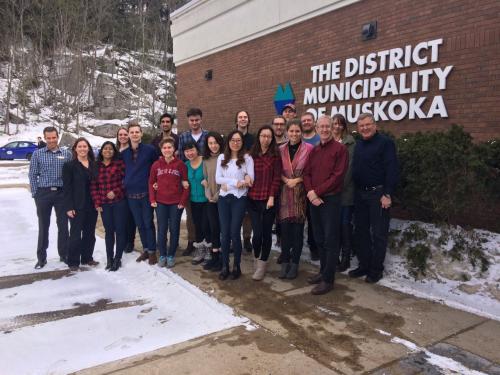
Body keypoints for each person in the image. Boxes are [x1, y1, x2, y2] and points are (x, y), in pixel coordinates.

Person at [349, 113, 399, 284]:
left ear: (375, 125)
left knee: (378, 233)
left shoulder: (385, 143)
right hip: (360, 194)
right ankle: (364, 265)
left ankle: (376, 270)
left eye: (368, 124)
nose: (364, 128)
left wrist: (387, 194)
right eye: (361, 125)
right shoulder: (359, 144)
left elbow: (392, 169)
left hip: (378, 195)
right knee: (361, 231)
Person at [304, 115, 348, 295]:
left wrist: (317, 192)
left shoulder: (340, 149)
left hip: (330, 200)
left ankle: (328, 280)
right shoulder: (314, 151)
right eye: (321, 126)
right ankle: (323, 271)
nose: (324, 129)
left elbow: (337, 177)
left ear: (333, 128)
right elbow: (306, 173)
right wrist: (310, 193)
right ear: (316, 127)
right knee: (320, 238)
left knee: (330, 240)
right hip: (314, 200)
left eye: (327, 126)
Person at [29, 126, 72, 269]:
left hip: (61, 194)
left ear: (57, 136)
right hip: (43, 194)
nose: (52, 140)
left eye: (54, 137)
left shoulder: (67, 154)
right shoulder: (37, 154)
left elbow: (71, 176)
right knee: (43, 226)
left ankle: (64, 254)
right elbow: (33, 175)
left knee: (63, 226)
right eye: (49, 138)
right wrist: (36, 194)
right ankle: (41, 258)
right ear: (45, 138)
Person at [216, 130, 254, 280]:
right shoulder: (221, 157)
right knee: (224, 234)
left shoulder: (247, 158)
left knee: (234, 233)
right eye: (233, 140)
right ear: (228, 141)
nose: (235, 143)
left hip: (239, 199)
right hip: (224, 199)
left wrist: (237, 182)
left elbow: (250, 181)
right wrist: (233, 183)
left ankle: (236, 266)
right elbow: (218, 179)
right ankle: (225, 265)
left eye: (238, 140)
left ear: (242, 142)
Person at [278, 119, 313, 279]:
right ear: (287, 132)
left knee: (297, 232)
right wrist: (286, 180)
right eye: (291, 131)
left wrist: (297, 180)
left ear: (301, 132)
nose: (294, 134)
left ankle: (295, 264)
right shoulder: (280, 149)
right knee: (284, 231)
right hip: (285, 194)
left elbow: (311, 170)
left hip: (300, 194)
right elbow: (276, 169)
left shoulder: (309, 149)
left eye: (297, 131)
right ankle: (285, 262)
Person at [122, 121, 158, 265]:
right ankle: (145, 249)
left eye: (137, 132)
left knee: (148, 222)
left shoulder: (150, 150)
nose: (135, 134)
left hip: (146, 193)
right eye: (132, 132)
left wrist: (155, 182)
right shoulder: (124, 154)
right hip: (131, 195)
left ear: (141, 133)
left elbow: (156, 168)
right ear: (129, 135)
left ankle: (152, 252)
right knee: (139, 224)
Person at [248, 125, 281, 281]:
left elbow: (276, 178)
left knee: (266, 233)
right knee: (257, 234)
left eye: (268, 136)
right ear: (258, 137)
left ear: (272, 138)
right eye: (263, 135)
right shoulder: (251, 155)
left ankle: (262, 264)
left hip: (268, 199)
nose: (265, 139)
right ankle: (256, 257)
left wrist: (272, 196)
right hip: (253, 198)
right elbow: (245, 172)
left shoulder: (275, 155)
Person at [149, 138, 189, 268]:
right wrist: (152, 199)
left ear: (174, 149)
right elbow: (151, 183)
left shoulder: (180, 165)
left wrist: (182, 201)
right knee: (161, 229)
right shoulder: (156, 165)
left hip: (175, 203)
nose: (167, 150)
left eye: (169, 147)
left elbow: (186, 184)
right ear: (161, 150)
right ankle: (162, 254)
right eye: (164, 148)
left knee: (174, 228)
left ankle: (171, 254)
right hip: (160, 202)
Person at [63, 138, 99, 271]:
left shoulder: (95, 164)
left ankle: (87, 257)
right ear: (75, 149)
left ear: (88, 148)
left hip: (92, 205)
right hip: (76, 206)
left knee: (90, 233)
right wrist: (68, 207)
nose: (83, 149)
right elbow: (66, 188)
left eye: (85, 146)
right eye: (80, 146)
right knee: (75, 234)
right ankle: (73, 261)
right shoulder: (69, 166)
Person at [90, 141, 127, 271]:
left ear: (114, 151)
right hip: (104, 204)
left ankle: (118, 258)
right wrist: (97, 202)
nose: (108, 151)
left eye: (110, 149)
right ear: (101, 151)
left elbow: (125, 181)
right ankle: (109, 258)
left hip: (119, 202)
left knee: (120, 230)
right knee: (109, 231)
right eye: (105, 149)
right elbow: (94, 186)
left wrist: (115, 191)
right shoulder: (96, 166)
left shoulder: (119, 164)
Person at [178, 107, 209, 257]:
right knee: (191, 217)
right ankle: (192, 242)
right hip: (190, 179)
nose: (194, 122)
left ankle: (209, 246)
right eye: (192, 120)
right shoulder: (183, 136)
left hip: (205, 180)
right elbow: (181, 159)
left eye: (197, 120)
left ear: (201, 119)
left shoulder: (207, 135)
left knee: (207, 219)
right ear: (188, 121)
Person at [332, 114, 356, 272]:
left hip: (345, 192)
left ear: (344, 126)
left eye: (340, 124)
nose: (337, 126)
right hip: (330, 193)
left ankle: (346, 257)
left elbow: (349, 168)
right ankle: (335, 256)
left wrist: (337, 186)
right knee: (333, 226)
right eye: (334, 123)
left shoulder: (350, 143)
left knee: (344, 225)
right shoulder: (327, 141)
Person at [184, 142, 211, 265]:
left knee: (207, 225)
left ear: (197, 149)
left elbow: (214, 176)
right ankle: (200, 251)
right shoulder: (186, 165)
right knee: (197, 226)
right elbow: (182, 179)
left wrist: (208, 181)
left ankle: (209, 250)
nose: (190, 153)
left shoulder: (205, 161)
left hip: (206, 200)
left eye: (191, 150)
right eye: (187, 151)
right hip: (193, 201)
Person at [201, 132, 224, 271]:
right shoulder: (206, 159)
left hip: (222, 198)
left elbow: (225, 179)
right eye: (210, 143)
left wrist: (216, 196)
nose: (213, 146)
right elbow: (205, 180)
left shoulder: (225, 158)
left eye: (215, 143)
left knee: (221, 228)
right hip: (210, 198)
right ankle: (214, 257)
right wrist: (209, 194)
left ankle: (222, 258)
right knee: (212, 227)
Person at [301, 112, 320, 261]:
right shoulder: (297, 138)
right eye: (304, 121)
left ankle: (314, 247)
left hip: (315, 188)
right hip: (298, 187)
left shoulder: (320, 139)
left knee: (313, 221)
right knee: (298, 219)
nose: (306, 122)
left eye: (309, 120)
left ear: (314, 122)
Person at [235, 110, 254, 252]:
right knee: (234, 212)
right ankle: (233, 239)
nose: (243, 119)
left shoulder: (253, 139)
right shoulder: (231, 137)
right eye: (240, 117)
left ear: (248, 120)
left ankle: (247, 238)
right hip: (234, 179)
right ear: (236, 120)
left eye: (245, 117)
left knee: (247, 213)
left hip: (248, 179)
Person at [116, 126, 136, 254]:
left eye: (125, 134)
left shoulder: (132, 150)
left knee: (130, 217)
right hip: (116, 186)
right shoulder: (114, 150)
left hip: (129, 186)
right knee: (121, 217)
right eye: (120, 135)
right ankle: (121, 241)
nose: (123, 137)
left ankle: (130, 241)